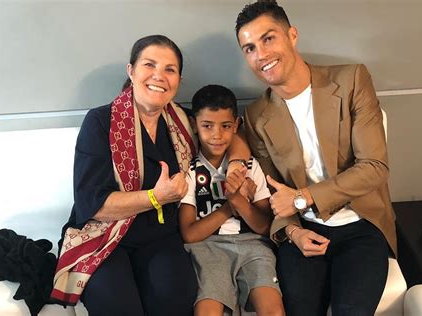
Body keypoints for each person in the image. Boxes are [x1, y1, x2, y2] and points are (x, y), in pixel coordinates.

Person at [50, 35, 248, 316]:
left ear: (178, 79)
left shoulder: (182, 122)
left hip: (161, 237)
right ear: (131, 71)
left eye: (170, 69)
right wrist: (156, 197)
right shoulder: (99, 122)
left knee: (175, 302)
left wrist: (238, 162)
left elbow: (229, 132)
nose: (159, 76)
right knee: (120, 308)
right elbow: (91, 204)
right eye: (149, 65)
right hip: (103, 236)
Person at [235, 1, 397, 316]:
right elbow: (274, 191)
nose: (261, 55)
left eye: (268, 39)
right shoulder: (256, 116)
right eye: (249, 48)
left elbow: (375, 167)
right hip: (305, 230)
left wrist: (304, 198)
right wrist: (293, 231)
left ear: (292, 35)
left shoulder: (351, 80)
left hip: (362, 224)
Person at [179, 84, 284, 316]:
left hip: (254, 245)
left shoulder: (249, 166)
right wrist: (230, 206)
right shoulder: (190, 172)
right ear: (195, 125)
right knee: (207, 311)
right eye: (207, 126)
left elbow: (266, 227)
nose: (217, 135)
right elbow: (189, 233)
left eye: (225, 126)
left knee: (273, 310)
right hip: (208, 248)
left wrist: (241, 203)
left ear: (236, 125)